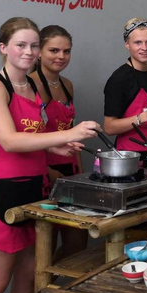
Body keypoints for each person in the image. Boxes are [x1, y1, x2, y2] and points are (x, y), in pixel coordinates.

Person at [0, 17, 98, 293]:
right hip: (1, 195)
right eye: (20, 45)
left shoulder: (31, 85)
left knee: (29, 278)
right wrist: (70, 132)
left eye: (33, 45)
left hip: (35, 193)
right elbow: (9, 141)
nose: (28, 52)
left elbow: (33, 135)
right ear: (4, 47)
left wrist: (56, 146)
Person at [28, 25, 87, 261]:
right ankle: (42, 292)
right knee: (44, 248)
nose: (61, 57)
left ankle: (55, 291)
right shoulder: (29, 85)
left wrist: (81, 174)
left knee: (77, 244)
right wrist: (49, 172)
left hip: (70, 173)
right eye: (54, 50)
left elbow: (74, 133)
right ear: (39, 52)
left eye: (66, 51)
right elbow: (27, 135)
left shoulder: (67, 85)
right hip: (45, 173)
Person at [103, 18, 147, 155]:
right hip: (129, 155)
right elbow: (109, 127)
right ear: (127, 44)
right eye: (138, 43)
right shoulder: (119, 79)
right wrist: (142, 117)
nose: (144, 48)